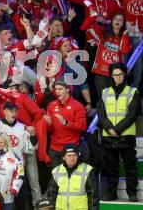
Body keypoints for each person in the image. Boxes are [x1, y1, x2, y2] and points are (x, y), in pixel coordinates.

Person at [97, 62, 141, 202]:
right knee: (111, 168)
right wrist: (110, 129)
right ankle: (111, 193)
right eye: (115, 75)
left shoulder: (132, 92)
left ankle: (132, 193)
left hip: (126, 136)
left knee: (130, 166)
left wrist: (116, 130)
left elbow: (133, 114)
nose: (118, 77)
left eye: (120, 75)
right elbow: (101, 114)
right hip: (109, 137)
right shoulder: (104, 92)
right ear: (111, 76)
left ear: (124, 75)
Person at [43, 81, 87, 168]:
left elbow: (82, 126)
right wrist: (49, 124)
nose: (57, 92)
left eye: (60, 89)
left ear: (68, 89)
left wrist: (66, 123)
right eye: (56, 89)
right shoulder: (51, 106)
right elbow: (50, 130)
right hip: (55, 148)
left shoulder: (77, 106)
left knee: (73, 178)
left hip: (71, 148)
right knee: (57, 179)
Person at [46, 144, 99, 210]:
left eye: (74, 155)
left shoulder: (87, 170)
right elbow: (51, 196)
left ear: (78, 156)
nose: (72, 158)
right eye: (69, 156)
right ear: (63, 157)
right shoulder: (57, 171)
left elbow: (93, 196)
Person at [0, 133, 23, 210]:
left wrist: (15, 187)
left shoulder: (14, 156)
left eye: (1, 142)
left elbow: (21, 173)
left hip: (7, 196)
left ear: (6, 143)